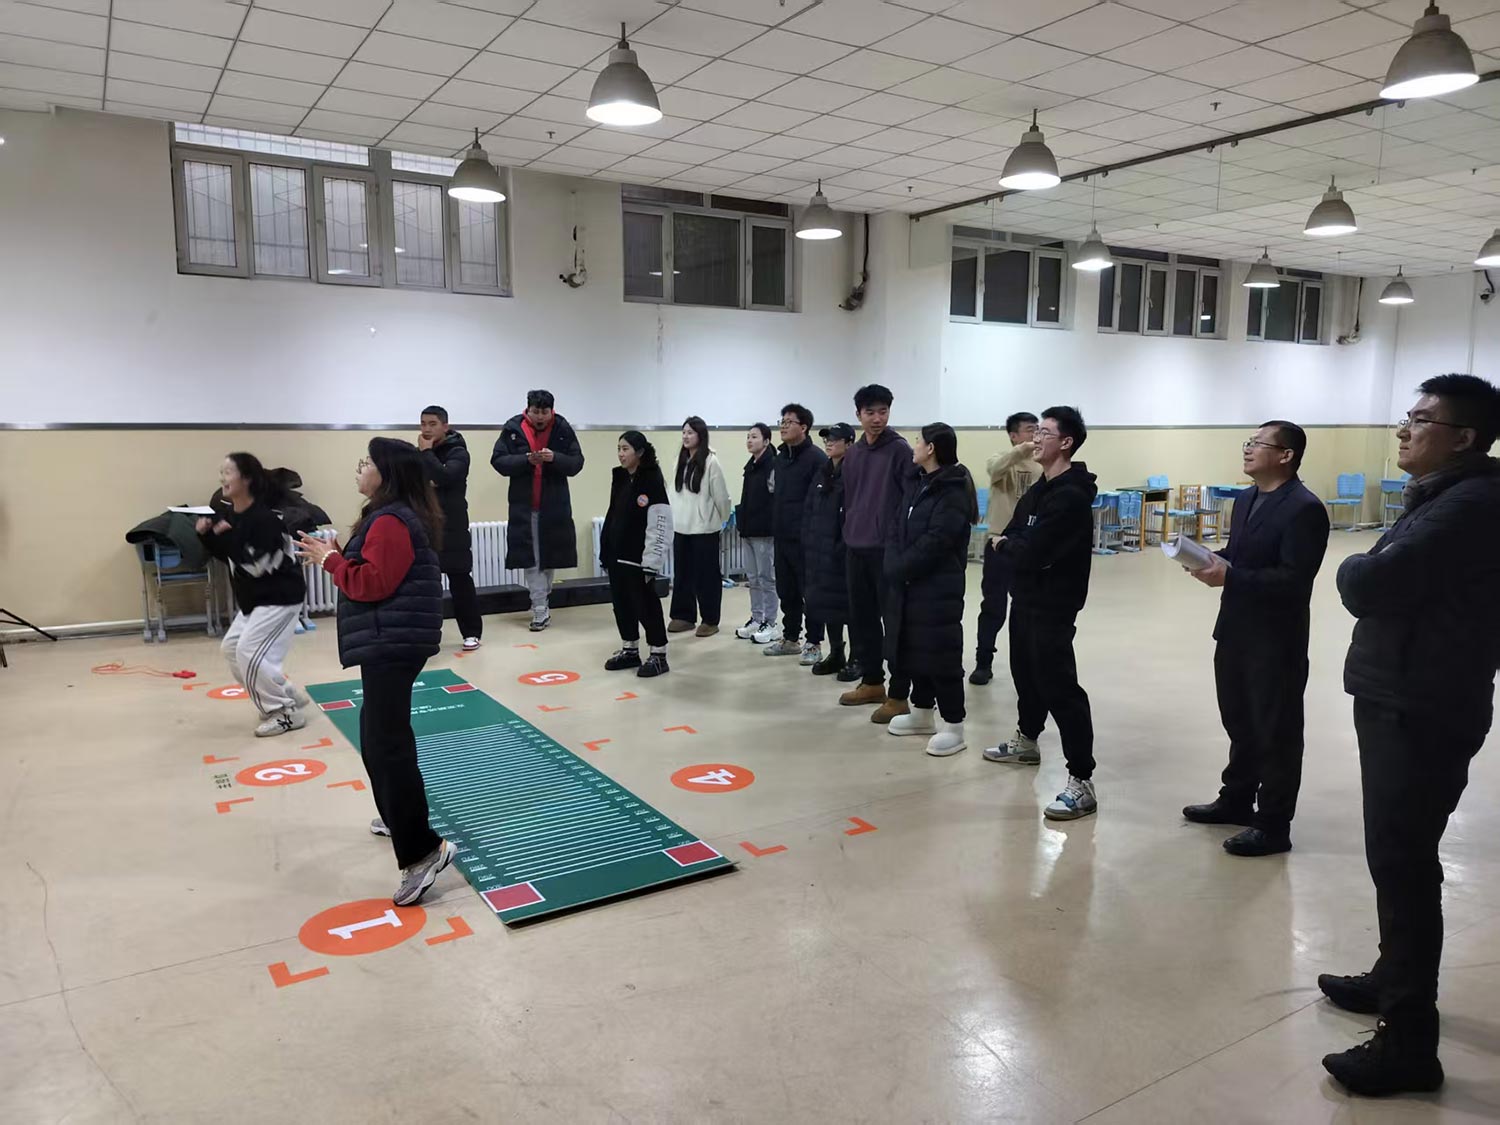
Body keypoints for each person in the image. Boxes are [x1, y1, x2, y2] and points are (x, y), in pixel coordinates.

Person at [1318, 375, 1500, 1098]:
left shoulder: (1470, 504)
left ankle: (1408, 1043)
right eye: (1406, 416)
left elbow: (1368, 583)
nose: (1403, 429)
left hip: (1420, 703)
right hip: (1407, 691)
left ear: (1463, 437)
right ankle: (1392, 975)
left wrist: (1355, 564)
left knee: (1404, 864)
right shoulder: (1443, 495)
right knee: (1397, 856)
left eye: (1422, 420)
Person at [295, 438, 455, 907]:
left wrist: (331, 561)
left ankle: (423, 851)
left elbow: (372, 583)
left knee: (388, 745)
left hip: (393, 641)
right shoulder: (387, 516)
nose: (359, 467)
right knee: (378, 733)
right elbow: (371, 568)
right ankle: (395, 814)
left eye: (367, 462)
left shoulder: (390, 520)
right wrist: (338, 555)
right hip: (391, 639)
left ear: (387, 473)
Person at [1182, 422, 1330, 857]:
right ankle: (1236, 798)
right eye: (1248, 442)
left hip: (1275, 639)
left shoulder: (1304, 509)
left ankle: (1273, 824)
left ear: (1285, 455)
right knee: (1240, 721)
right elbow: (1240, 557)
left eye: (1258, 444)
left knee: (1276, 731)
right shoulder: (1246, 499)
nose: (1247, 449)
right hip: (1235, 630)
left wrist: (1230, 576)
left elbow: (1294, 580)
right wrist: (1208, 559)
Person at [982, 406, 1099, 822]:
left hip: (1054, 603)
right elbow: (1016, 530)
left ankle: (1081, 779)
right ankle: (1027, 740)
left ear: (1065, 442)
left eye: (1044, 433)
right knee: (1025, 674)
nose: (1035, 439)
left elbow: (1031, 549)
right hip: (1026, 596)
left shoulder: (1070, 495)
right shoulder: (1040, 488)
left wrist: (1008, 546)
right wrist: (1014, 544)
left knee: (1059, 686)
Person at [197, 452, 308, 737]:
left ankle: (284, 712)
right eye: (221, 472)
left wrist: (225, 537)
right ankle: (284, 692)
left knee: (247, 651)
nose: (222, 478)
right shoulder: (233, 516)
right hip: (255, 600)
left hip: (280, 598)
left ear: (246, 479)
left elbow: (257, 566)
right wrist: (207, 536)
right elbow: (231, 556)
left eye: (228, 472)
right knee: (232, 649)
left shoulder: (264, 520)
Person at [884, 424, 978, 757]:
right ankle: (922, 712)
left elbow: (938, 540)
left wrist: (901, 565)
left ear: (932, 448)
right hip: (909, 583)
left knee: (941, 654)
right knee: (913, 649)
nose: (914, 446)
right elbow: (896, 525)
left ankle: (953, 725)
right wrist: (893, 560)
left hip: (938, 587)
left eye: (918, 441)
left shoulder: (952, 489)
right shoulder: (917, 481)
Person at [840, 384, 918, 722]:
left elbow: (909, 500)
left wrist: (898, 542)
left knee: (895, 623)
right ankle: (872, 682)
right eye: (870, 412)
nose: (877, 418)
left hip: (887, 550)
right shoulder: (854, 453)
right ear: (858, 415)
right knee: (862, 620)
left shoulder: (899, 450)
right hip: (855, 547)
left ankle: (899, 695)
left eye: (883, 411)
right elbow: (850, 498)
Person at [490, 390, 584, 632]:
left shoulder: (562, 428)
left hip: (555, 507)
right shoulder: (513, 428)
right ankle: (539, 607)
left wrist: (555, 458)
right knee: (532, 559)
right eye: (535, 412)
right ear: (527, 410)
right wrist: (525, 460)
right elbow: (498, 461)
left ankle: (543, 598)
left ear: (551, 411)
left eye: (544, 412)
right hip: (525, 507)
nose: (540, 417)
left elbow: (577, 463)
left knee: (549, 559)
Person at [972, 412, 1040, 685]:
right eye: (1029, 429)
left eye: (1038, 429)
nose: (1035, 434)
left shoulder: (1042, 465)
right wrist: (1021, 450)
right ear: (1013, 435)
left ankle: (1027, 663)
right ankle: (983, 661)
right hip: (998, 543)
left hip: (1028, 546)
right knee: (993, 606)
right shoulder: (1000, 460)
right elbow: (995, 469)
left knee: (1028, 608)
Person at [599, 431, 674, 679]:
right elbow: (612, 515)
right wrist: (605, 549)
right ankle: (630, 649)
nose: (621, 454)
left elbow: (660, 522)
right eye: (619, 449)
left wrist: (652, 561)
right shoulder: (621, 478)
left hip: (638, 559)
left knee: (645, 605)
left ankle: (658, 654)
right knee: (621, 605)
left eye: (626, 449)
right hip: (617, 555)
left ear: (639, 452)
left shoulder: (651, 480)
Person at [763, 403, 829, 664]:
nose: (783, 426)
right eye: (782, 421)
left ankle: (814, 642)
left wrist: (813, 534)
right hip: (782, 536)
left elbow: (820, 501)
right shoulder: (780, 458)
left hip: (806, 539)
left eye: (789, 422)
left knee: (810, 592)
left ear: (804, 427)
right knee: (786, 590)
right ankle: (791, 638)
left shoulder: (816, 459)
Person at [418, 405, 482, 651]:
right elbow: (418, 482)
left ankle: (472, 632)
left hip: (453, 523)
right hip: (425, 523)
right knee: (425, 581)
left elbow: (444, 477)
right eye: (423, 423)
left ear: (445, 426)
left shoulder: (458, 452)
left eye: (432, 424)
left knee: (459, 579)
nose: (426, 429)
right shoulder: (419, 453)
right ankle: (425, 634)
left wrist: (428, 456)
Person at [667, 416, 732, 637]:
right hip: (681, 526)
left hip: (704, 528)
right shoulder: (679, 460)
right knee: (682, 573)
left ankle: (710, 619)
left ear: (700, 435)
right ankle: (683, 616)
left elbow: (721, 495)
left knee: (707, 575)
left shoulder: (711, 461)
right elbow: (673, 493)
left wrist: (721, 519)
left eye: (690, 432)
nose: (685, 436)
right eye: (684, 432)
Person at [804, 423, 853, 676]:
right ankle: (836, 653)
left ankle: (857, 658)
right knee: (827, 605)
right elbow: (810, 509)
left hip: (843, 552)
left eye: (835, 439)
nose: (829, 443)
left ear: (849, 443)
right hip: (819, 552)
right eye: (826, 439)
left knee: (850, 608)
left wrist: (841, 546)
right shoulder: (822, 472)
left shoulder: (854, 472)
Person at [734, 423, 778, 641]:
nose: (749, 440)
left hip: (765, 530)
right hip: (748, 529)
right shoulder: (750, 466)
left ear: (766, 441)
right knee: (752, 578)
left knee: (766, 578)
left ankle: (771, 622)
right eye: (748, 437)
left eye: (754, 437)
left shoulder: (773, 465)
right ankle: (757, 618)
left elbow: (774, 498)